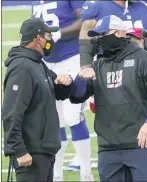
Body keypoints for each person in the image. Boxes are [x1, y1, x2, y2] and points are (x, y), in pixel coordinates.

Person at [70, 15, 147, 181]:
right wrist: (79, 78)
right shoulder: (97, 65)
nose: (99, 39)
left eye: (103, 34)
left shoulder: (145, 59)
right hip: (109, 149)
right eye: (97, 35)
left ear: (120, 33)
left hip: (142, 145)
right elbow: (77, 97)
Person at [2, 18, 75, 182]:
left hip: (43, 153)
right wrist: (19, 150)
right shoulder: (22, 68)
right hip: (30, 155)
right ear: (38, 38)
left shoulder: (38, 65)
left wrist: (66, 82)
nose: (51, 40)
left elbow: (59, 91)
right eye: (48, 36)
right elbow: (11, 113)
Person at [31, 1, 93, 180]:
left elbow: (86, 20)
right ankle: (56, 176)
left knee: (73, 117)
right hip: (47, 62)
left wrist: (61, 32)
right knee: (54, 121)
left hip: (72, 57)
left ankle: (86, 174)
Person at [79, 0, 147, 68]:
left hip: (143, 67)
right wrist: (86, 68)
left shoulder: (146, 5)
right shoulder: (97, 5)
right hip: (111, 68)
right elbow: (86, 45)